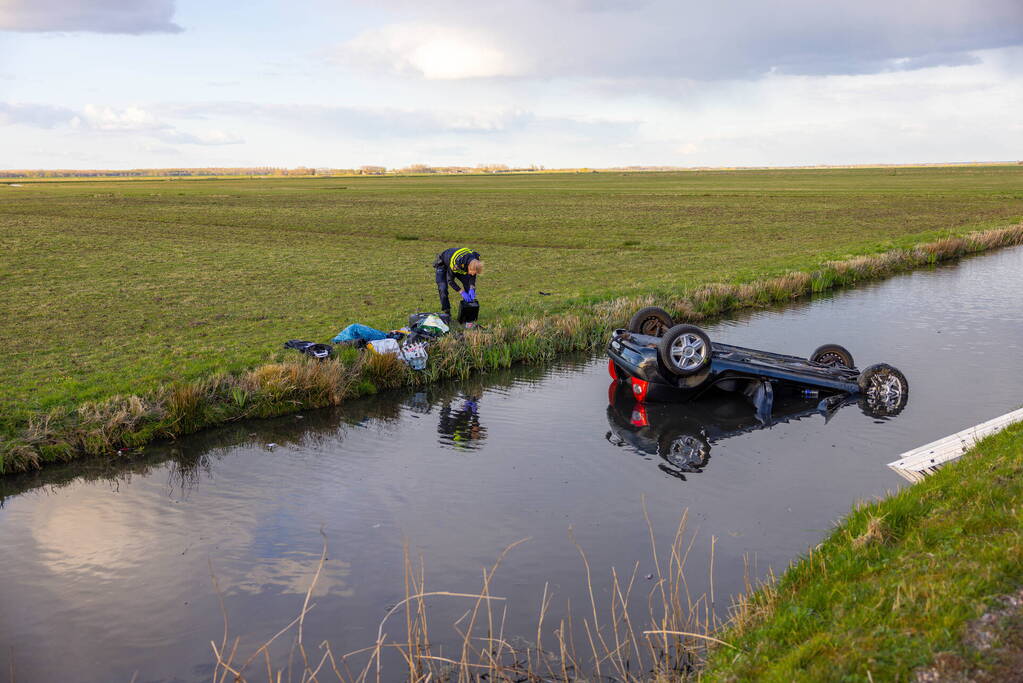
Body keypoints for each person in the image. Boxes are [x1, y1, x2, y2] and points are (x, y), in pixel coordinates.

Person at [433, 247, 483, 316]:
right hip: (443, 264)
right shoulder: (457, 264)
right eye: (472, 272)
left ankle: (467, 313)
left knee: (468, 285)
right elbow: (450, 280)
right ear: (469, 267)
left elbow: (472, 275)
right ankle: (447, 312)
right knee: (443, 288)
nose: (472, 274)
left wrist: (472, 287)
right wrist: (461, 292)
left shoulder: (475, 260)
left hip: (461, 266)